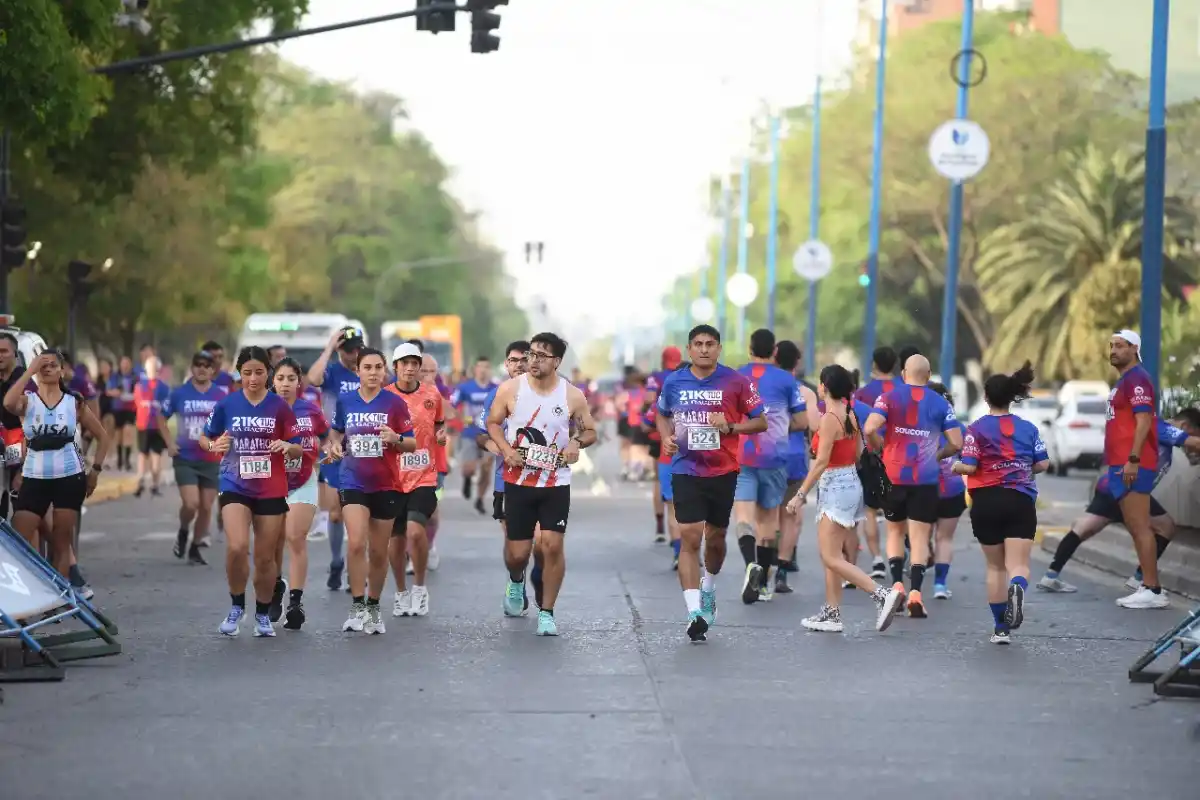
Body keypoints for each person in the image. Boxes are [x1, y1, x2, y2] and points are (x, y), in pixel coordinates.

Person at [655, 324, 766, 642]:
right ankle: (693, 613)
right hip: (685, 468)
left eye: (710, 344)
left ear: (719, 349)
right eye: (698, 344)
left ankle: (708, 588)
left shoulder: (737, 381)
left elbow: (761, 421)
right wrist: (666, 438)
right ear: (689, 349)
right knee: (690, 537)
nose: (704, 349)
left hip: (723, 471)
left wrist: (730, 426)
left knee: (715, 540)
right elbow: (662, 413)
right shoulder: (675, 381)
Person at [486, 332, 598, 637]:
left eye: (541, 356)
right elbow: (493, 422)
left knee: (552, 545)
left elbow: (590, 431)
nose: (532, 361)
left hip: (555, 482)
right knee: (518, 554)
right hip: (518, 481)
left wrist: (576, 442)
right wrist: (507, 450)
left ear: (557, 362)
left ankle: (547, 612)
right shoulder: (511, 389)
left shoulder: (571, 395)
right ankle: (516, 579)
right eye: (531, 354)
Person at [784, 364, 903, 633]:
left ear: (824, 386)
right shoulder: (850, 412)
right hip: (849, 483)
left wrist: (800, 495)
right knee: (832, 553)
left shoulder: (829, 419)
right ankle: (832, 613)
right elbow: (861, 450)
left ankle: (881, 594)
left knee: (831, 556)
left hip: (835, 485)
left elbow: (820, 462)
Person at [199, 346, 303, 638]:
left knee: (265, 558)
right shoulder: (227, 405)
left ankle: (261, 612)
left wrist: (287, 446)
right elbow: (205, 437)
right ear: (239, 374)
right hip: (235, 483)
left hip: (270, 487)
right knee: (236, 547)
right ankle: (236, 605)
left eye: (259, 372)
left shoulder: (279, 407)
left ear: (267, 374)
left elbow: (297, 445)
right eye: (247, 373)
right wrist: (213, 446)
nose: (253, 379)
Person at [1039, 409, 1200, 595]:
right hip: (1128, 490)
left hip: (1112, 486)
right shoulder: (1159, 427)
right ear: (1185, 426)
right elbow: (1193, 442)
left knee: (1083, 528)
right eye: (1194, 432)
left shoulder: (1159, 434)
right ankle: (1140, 580)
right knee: (1166, 527)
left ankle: (1051, 575)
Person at [953, 361, 1049, 644]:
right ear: (1011, 397)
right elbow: (1043, 463)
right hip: (1020, 499)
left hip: (986, 502)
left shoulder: (976, 429)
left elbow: (969, 467)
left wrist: (955, 467)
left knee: (995, 567)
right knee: (1018, 565)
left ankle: (1000, 629)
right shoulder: (1028, 428)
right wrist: (1022, 468)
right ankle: (1018, 587)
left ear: (986, 397)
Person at [863, 354, 962, 619]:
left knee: (895, 532)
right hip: (926, 479)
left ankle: (896, 584)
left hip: (893, 476)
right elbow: (957, 442)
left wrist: (879, 445)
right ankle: (916, 592)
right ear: (928, 376)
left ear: (904, 374)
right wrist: (939, 455)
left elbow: (870, 426)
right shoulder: (941, 403)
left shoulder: (888, 397)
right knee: (919, 537)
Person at [325, 347, 416, 635]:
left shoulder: (394, 403)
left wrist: (396, 438)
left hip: (386, 483)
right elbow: (336, 432)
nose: (373, 373)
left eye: (378, 367)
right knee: (355, 543)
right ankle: (357, 604)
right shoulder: (346, 401)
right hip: (352, 480)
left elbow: (412, 443)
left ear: (385, 370)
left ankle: (374, 606)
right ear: (358, 371)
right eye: (368, 367)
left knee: (378, 551)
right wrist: (335, 445)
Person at [3, 350, 108, 581]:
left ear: (62, 370)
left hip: (69, 477)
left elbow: (103, 436)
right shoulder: (28, 401)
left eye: (52, 365)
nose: (47, 368)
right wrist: (30, 370)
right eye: (43, 365)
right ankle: (29, 592)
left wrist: (95, 472)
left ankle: (59, 595)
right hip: (34, 477)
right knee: (20, 535)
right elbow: (8, 402)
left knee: (61, 542)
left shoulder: (74, 403)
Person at [734, 329, 807, 604]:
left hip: (742, 456)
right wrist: (780, 426)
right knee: (768, 523)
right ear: (774, 351)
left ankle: (749, 565)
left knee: (743, 518)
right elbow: (801, 421)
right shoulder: (787, 381)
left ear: (750, 348)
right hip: (776, 458)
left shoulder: (735, 376)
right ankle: (763, 583)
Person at [1098, 330, 1166, 609]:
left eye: (1120, 346)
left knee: (1141, 527)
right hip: (1121, 463)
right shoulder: (1124, 380)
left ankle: (1152, 588)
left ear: (1134, 348)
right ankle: (1149, 585)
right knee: (1138, 526)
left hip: (1133, 464)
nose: (1113, 351)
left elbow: (1143, 422)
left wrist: (1134, 458)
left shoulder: (1137, 379)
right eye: (1112, 346)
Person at [385, 343, 447, 618]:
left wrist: (442, 437)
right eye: (404, 363)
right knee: (396, 541)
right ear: (395, 367)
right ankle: (400, 592)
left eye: (414, 363)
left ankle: (420, 588)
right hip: (391, 478)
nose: (410, 368)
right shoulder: (384, 397)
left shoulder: (432, 395)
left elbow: (439, 426)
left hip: (424, 475)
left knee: (415, 532)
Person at [270, 358, 328, 630]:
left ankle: (295, 602)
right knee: (272, 543)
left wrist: (332, 449)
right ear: (273, 381)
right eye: (280, 378)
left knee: (295, 537)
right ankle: (275, 586)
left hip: (303, 480)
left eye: (290, 379)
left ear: (298, 382)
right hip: (270, 484)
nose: (285, 384)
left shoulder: (310, 410)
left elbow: (328, 435)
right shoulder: (263, 411)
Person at [307, 326, 365, 592]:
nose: (354, 354)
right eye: (349, 349)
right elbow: (312, 378)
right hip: (335, 449)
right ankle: (336, 561)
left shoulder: (369, 369)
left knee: (364, 511)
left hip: (366, 450)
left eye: (358, 348)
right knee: (335, 514)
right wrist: (329, 347)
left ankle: (357, 564)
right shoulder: (332, 373)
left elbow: (391, 386)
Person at [476, 341, 531, 604]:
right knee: (515, 544)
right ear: (506, 364)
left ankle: (542, 584)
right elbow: (481, 433)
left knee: (543, 543)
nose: (518, 365)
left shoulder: (550, 394)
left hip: (543, 481)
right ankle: (517, 580)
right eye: (513, 360)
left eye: (524, 359)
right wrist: (494, 444)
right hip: (506, 480)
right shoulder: (496, 395)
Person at [162, 350, 229, 564]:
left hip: (211, 459)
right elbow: (160, 417)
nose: (202, 368)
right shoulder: (179, 393)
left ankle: (194, 546)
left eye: (207, 365)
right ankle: (183, 531)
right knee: (191, 504)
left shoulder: (221, 396)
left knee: (206, 507)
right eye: (198, 364)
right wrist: (169, 443)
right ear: (192, 367)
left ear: (212, 370)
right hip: (186, 458)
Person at [774, 339, 817, 594]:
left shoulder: (765, 387)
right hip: (795, 455)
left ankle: (762, 564)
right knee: (790, 516)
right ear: (797, 362)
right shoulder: (806, 392)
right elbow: (814, 426)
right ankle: (782, 570)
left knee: (767, 515)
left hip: (766, 454)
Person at [927, 381, 967, 600]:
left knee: (920, 536)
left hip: (924, 486)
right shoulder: (959, 427)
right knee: (944, 538)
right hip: (952, 487)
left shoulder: (920, 424)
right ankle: (940, 585)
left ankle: (913, 586)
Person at [645, 346, 683, 544]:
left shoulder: (656, 377)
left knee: (659, 480)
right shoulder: (687, 376)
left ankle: (661, 525)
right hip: (685, 438)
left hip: (657, 434)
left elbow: (650, 399)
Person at [453, 356, 498, 514]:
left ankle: (479, 499)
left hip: (490, 435)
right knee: (469, 468)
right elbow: (451, 406)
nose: (483, 370)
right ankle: (467, 478)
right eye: (480, 367)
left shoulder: (497, 388)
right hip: (469, 433)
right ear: (475, 369)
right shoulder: (465, 388)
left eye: (486, 367)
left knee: (486, 467)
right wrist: (461, 418)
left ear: (490, 369)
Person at [132, 357, 170, 498]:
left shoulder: (142, 385)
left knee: (153, 455)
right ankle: (144, 481)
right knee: (145, 454)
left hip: (154, 424)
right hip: (145, 423)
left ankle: (152, 483)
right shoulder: (142, 385)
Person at [106, 355, 138, 472]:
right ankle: (119, 459)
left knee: (128, 432)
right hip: (118, 407)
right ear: (120, 364)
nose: (125, 365)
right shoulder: (115, 377)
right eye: (123, 363)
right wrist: (117, 393)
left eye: (127, 363)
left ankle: (127, 460)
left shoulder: (135, 377)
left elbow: (139, 390)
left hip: (130, 408)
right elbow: (109, 391)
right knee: (119, 434)